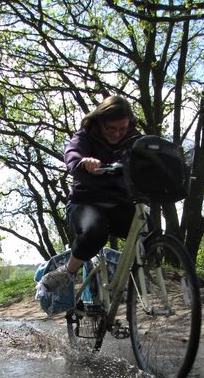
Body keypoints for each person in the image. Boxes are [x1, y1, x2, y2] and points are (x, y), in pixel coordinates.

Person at [41, 95, 141, 292]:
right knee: (95, 232)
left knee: (146, 228)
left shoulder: (133, 139)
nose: (117, 134)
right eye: (111, 128)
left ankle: (138, 279)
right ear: (100, 122)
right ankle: (68, 271)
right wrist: (82, 161)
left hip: (119, 202)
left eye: (122, 128)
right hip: (85, 202)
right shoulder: (85, 136)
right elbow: (72, 153)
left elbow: (151, 156)